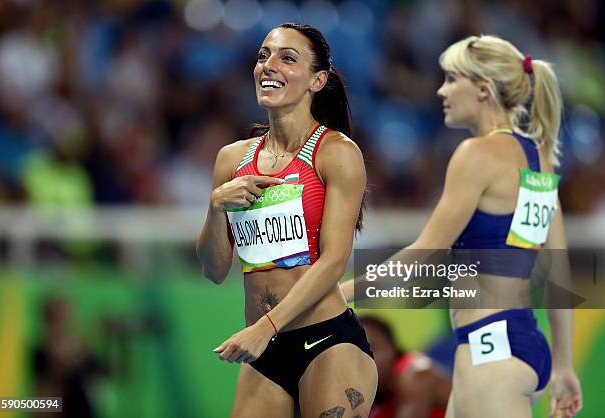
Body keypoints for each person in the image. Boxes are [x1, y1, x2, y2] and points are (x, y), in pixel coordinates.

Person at [342, 35, 582, 418]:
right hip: (523, 344)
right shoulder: (538, 158)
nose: (442, 90)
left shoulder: (475, 154)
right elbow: (560, 271)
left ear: (484, 89)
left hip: (490, 353)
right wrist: (563, 365)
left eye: (452, 79)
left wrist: (339, 295)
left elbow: (424, 254)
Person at [197, 23, 377, 418]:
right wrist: (215, 207)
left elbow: (333, 261)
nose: (269, 65)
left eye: (287, 58)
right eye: (263, 56)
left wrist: (266, 327)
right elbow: (213, 270)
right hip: (266, 351)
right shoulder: (232, 159)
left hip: (327, 341)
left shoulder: (336, 153)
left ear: (318, 80)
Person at [360, 316, 450, 418]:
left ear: (392, 348)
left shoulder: (416, 376)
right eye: (353, 354)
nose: (363, 360)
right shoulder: (374, 394)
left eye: (371, 349)